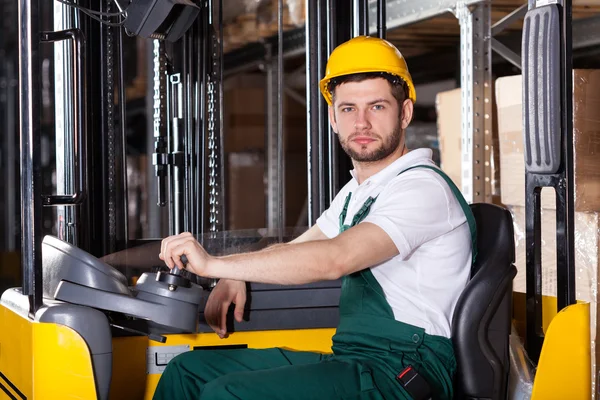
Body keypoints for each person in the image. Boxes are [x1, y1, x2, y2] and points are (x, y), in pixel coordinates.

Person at [153, 36, 474, 400]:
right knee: (189, 372)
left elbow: (334, 258)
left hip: (403, 375)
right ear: (333, 118)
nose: (362, 122)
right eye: (349, 108)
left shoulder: (422, 188)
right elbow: (303, 248)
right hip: (358, 363)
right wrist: (234, 273)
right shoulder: (359, 191)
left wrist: (211, 264)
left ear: (405, 113)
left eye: (377, 107)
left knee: (229, 394)